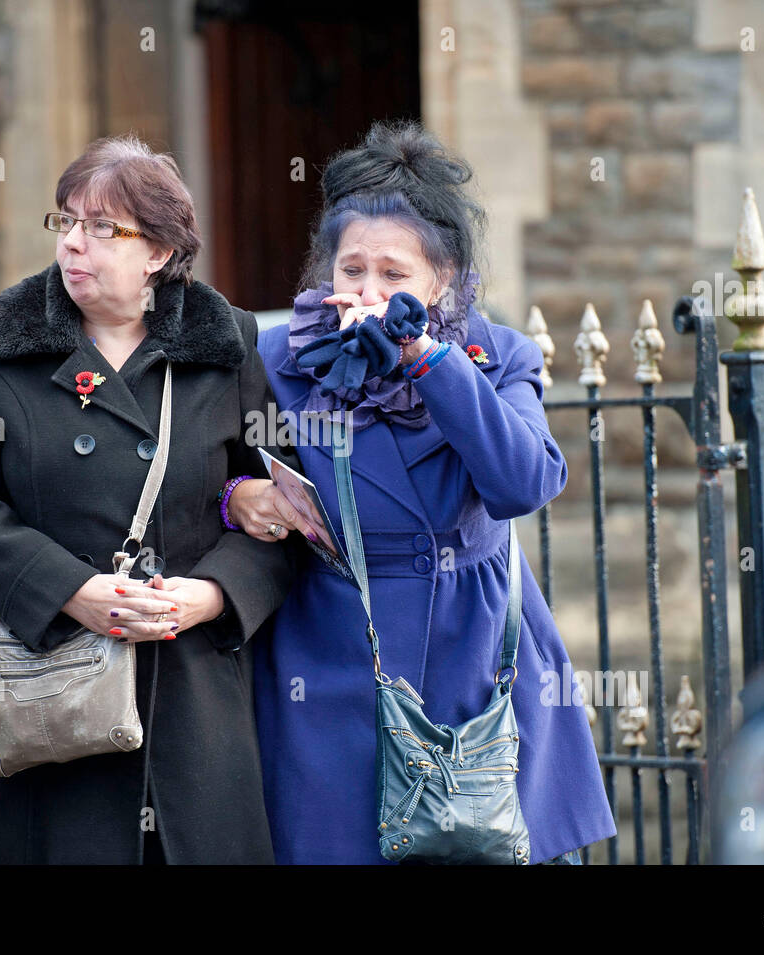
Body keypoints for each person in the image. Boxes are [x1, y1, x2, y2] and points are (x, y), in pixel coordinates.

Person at [227, 121, 617, 864]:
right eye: (352, 271)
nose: (368, 293)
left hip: (472, 653)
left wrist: (428, 360)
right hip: (330, 654)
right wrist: (238, 495)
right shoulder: (277, 360)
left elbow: (523, 482)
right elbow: (210, 474)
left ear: (443, 280)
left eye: (393, 275)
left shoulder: (499, 356)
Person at [0, 135, 300, 864]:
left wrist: (208, 596)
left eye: (104, 228)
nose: (74, 243)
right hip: (42, 697)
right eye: (66, 220)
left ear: (159, 251)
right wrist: (71, 591)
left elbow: (279, 511)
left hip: (190, 701)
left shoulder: (225, 342)